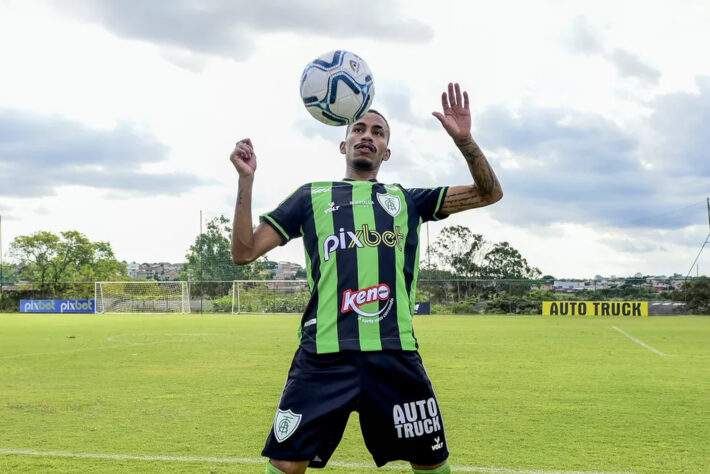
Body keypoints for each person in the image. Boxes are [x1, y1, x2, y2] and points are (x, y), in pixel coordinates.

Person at [230, 83, 502, 474]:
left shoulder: (407, 200)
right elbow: (244, 252)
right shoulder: (311, 196)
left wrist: (465, 142)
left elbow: (489, 193)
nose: (367, 136)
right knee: (287, 464)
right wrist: (246, 181)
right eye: (358, 129)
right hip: (323, 356)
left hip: (393, 352)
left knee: (431, 462)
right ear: (344, 145)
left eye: (377, 132)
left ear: (386, 152)